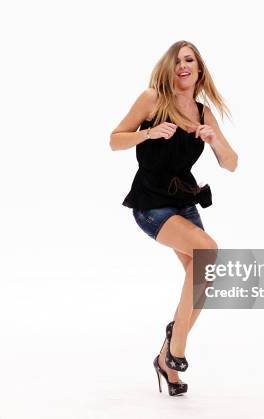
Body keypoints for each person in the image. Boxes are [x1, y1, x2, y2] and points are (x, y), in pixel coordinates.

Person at [110, 41, 237, 395]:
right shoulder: (153, 99)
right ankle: (176, 348)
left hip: (184, 202)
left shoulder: (203, 112)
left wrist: (215, 141)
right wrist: (148, 132)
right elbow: (114, 140)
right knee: (209, 253)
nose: (182, 66)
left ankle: (166, 358)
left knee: (203, 279)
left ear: (199, 68)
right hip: (152, 205)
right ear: (169, 68)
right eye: (177, 61)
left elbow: (231, 163)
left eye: (189, 60)